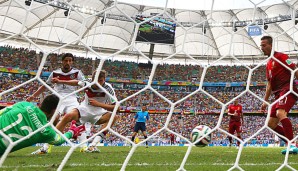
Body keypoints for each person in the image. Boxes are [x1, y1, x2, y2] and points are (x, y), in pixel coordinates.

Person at [27, 53, 85, 154]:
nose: (68, 63)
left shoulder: (77, 72)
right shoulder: (54, 73)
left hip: (71, 98)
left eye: (70, 61)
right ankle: (45, 148)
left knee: (79, 118)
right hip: (57, 98)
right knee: (54, 118)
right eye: (66, 60)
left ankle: (84, 147)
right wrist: (34, 96)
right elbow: (45, 86)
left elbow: (82, 83)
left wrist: (60, 81)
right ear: (62, 61)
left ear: (72, 62)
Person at [54, 70, 119, 153]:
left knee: (114, 117)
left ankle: (92, 146)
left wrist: (99, 104)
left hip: (99, 114)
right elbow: (76, 82)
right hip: (84, 110)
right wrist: (60, 81)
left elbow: (117, 107)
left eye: (101, 81)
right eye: (96, 80)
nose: (98, 83)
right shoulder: (87, 82)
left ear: (104, 79)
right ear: (92, 79)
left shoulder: (108, 88)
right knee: (68, 116)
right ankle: (52, 139)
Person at [0, 94, 85, 155]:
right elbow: (59, 140)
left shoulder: (24, 104)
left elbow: (3, 111)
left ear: (42, 104)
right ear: (53, 111)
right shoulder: (46, 131)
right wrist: (72, 132)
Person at [260, 35, 298, 154]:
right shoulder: (268, 63)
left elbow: (295, 70)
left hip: (288, 89)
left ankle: (291, 145)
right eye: (261, 45)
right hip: (277, 94)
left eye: (264, 45)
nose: (262, 47)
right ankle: (292, 142)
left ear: (271, 45)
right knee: (270, 124)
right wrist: (265, 102)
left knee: (280, 113)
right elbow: (269, 85)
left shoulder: (281, 57)